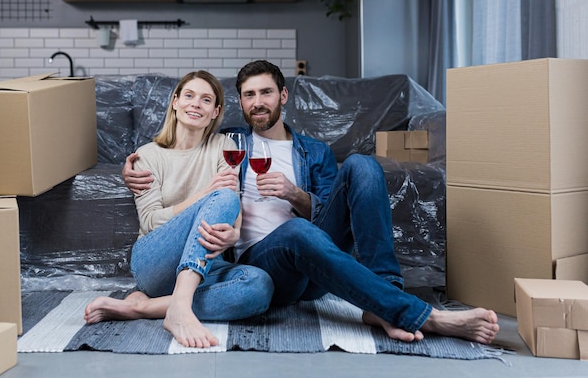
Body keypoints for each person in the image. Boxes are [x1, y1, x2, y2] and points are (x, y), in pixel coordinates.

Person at [122, 60, 499, 344]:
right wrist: (133, 170)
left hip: (311, 249)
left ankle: (384, 297)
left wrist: (294, 194)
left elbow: (336, 213)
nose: (257, 102)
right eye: (249, 95)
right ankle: (415, 313)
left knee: (362, 166)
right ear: (238, 103)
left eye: (266, 92)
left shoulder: (314, 152)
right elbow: (188, 152)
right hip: (261, 260)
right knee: (295, 232)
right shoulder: (230, 143)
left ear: (282, 96)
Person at [84, 70, 274, 349]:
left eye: (206, 100)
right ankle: (181, 306)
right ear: (175, 102)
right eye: (189, 96)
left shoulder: (224, 147)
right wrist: (204, 195)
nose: (196, 104)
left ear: (215, 111)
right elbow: (150, 223)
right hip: (154, 263)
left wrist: (234, 235)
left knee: (259, 286)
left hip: (206, 263)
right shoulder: (148, 155)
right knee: (220, 195)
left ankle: (144, 308)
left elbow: (232, 204)